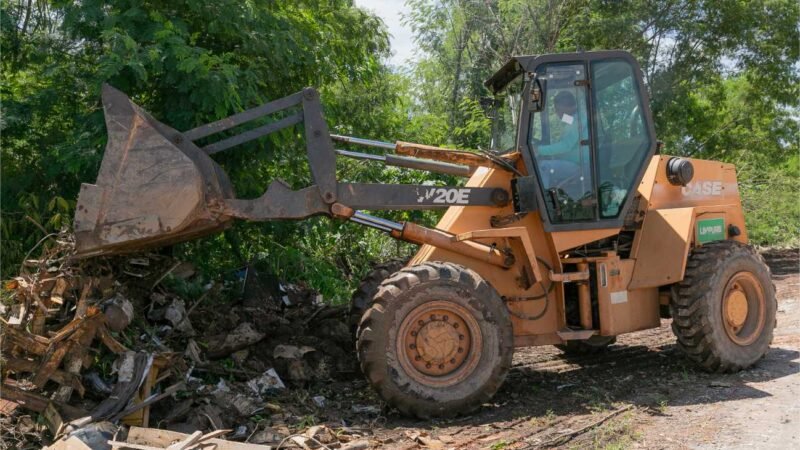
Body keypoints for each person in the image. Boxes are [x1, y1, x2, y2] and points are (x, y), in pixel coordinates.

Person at [534, 91, 590, 200]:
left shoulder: (578, 121)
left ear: (567, 108)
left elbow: (566, 146)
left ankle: (543, 200)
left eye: (558, 109)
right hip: (575, 163)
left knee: (543, 167)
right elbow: (565, 126)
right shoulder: (575, 119)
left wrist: (539, 150)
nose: (556, 113)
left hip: (580, 166)